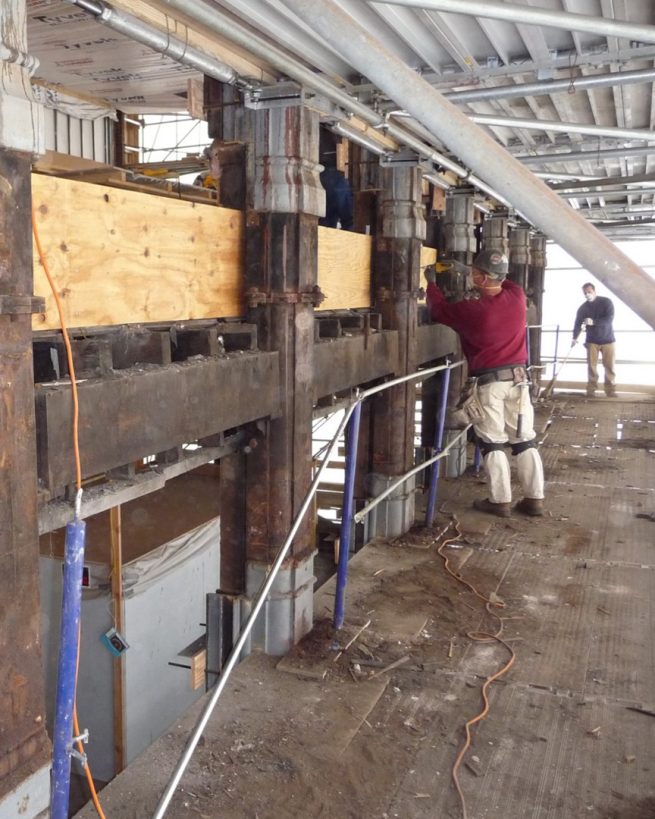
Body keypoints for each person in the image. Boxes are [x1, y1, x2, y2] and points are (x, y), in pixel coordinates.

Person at [425, 250, 545, 518]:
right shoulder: (517, 297)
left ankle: (500, 501)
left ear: (480, 278)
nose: (471, 275)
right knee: (524, 440)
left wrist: (431, 283)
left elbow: (439, 310)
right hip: (519, 381)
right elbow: (508, 281)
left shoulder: (473, 311)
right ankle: (534, 498)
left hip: (490, 386)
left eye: (474, 273)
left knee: (492, 442)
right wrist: (467, 268)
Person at [571, 283, 616, 397]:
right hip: (592, 341)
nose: (587, 294)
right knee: (592, 366)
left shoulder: (606, 302)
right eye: (585, 293)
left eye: (589, 292)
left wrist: (593, 322)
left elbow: (609, 319)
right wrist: (574, 337)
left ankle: (610, 390)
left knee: (609, 366)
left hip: (608, 340)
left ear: (594, 291)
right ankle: (591, 390)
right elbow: (577, 324)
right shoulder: (583, 308)